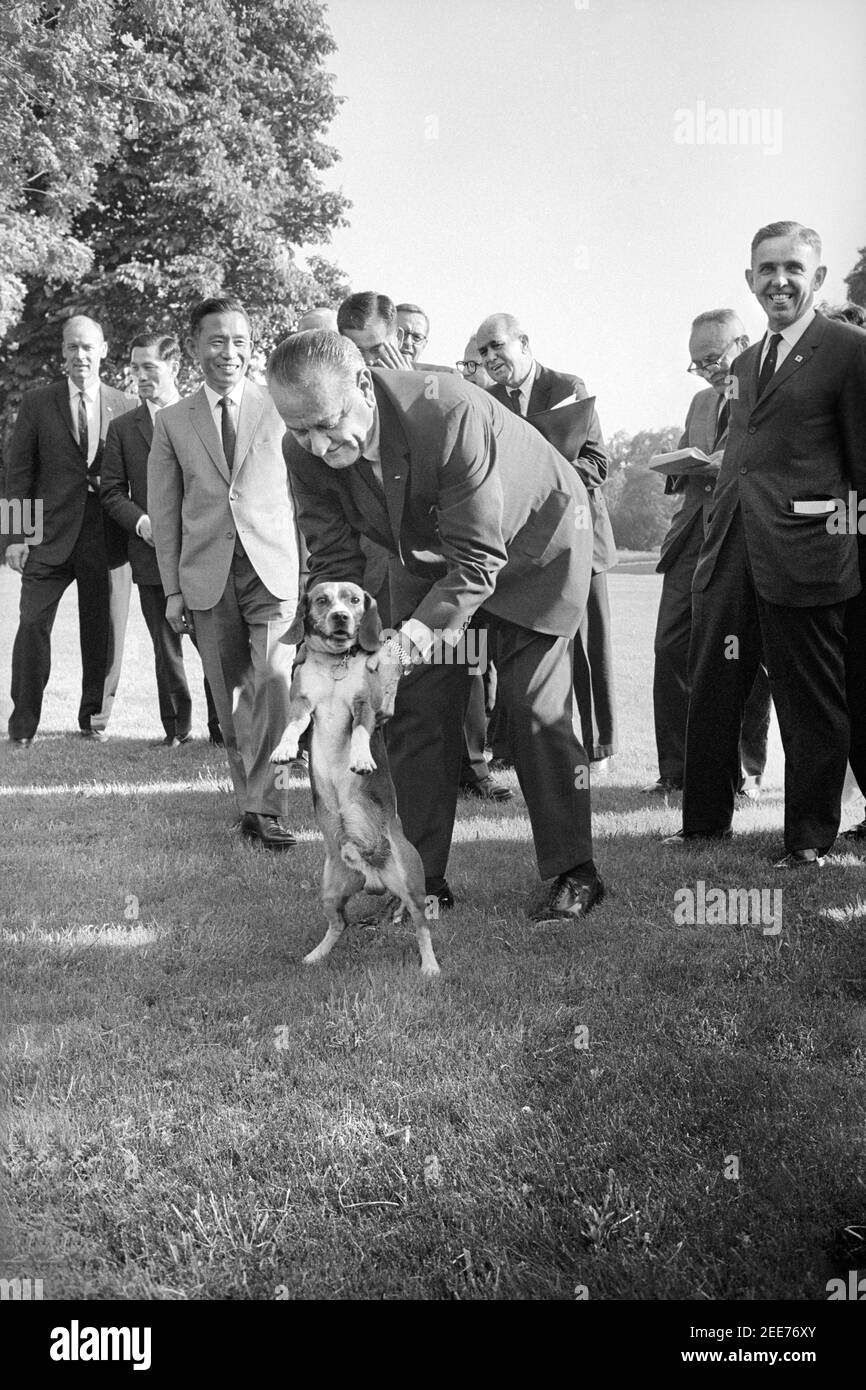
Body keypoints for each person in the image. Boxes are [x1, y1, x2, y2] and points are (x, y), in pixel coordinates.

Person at [269, 330, 604, 923]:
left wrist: (408, 643)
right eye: (301, 431)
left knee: (531, 710)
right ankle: (424, 880)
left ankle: (576, 872)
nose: (318, 446)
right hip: (429, 562)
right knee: (417, 708)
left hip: (536, 553)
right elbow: (337, 560)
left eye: (327, 423)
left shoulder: (446, 410)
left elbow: (480, 560)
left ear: (364, 386)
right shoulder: (303, 450)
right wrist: (332, 648)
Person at [668, 221, 866, 867]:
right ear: (750, 278)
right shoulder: (748, 363)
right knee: (714, 684)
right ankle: (702, 824)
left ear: (818, 277)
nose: (779, 280)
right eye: (766, 269)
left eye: (793, 269)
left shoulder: (848, 349)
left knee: (810, 703)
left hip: (808, 551)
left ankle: (808, 840)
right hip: (731, 546)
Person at [337, 293, 510, 803]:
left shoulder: (444, 387)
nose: (371, 361)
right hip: (387, 555)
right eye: (358, 352)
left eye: (382, 346)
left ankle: (473, 767)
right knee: (404, 666)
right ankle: (397, 769)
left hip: (460, 551)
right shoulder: (339, 407)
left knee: (467, 657)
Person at [148, 296, 302, 849]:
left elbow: (303, 498)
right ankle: (250, 806)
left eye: (240, 341)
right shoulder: (171, 422)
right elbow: (165, 516)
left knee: (275, 689)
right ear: (194, 347)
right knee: (233, 699)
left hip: (275, 575)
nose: (229, 352)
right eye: (217, 340)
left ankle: (271, 808)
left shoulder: (282, 409)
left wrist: (309, 575)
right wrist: (171, 591)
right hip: (207, 579)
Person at [478, 312, 618, 772]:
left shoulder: (567, 387)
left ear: (524, 342)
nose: (490, 357)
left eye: (497, 346)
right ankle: (514, 747)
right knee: (521, 649)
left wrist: (545, 482)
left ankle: (597, 751)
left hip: (581, 540)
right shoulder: (487, 399)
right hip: (523, 550)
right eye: (482, 352)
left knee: (588, 647)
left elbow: (597, 463)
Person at [647, 309, 771, 796]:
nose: (707, 371)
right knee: (669, 649)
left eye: (713, 359)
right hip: (689, 540)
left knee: (743, 656)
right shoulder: (700, 402)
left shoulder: (768, 391)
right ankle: (675, 771)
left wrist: (732, 464)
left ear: (743, 342)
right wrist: (677, 466)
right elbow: (686, 453)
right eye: (697, 364)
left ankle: (747, 773)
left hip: (744, 537)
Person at [4, 315, 134, 745]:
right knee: (31, 625)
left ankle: (93, 720)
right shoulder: (39, 402)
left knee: (101, 633)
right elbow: (19, 474)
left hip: (106, 540)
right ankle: (22, 726)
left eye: (88, 347)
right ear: (63, 352)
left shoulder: (127, 405)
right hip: (45, 538)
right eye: (72, 347)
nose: (80, 355)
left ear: (104, 350)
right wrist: (15, 537)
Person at [100, 332, 222, 747]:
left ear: (175, 367)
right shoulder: (122, 428)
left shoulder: (202, 415)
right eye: (134, 368)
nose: (139, 376)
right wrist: (142, 523)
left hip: (207, 551)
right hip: (151, 552)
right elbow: (111, 490)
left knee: (214, 645)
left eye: (149, 367)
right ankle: (176, 730)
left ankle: (223, 728)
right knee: (166, 648)